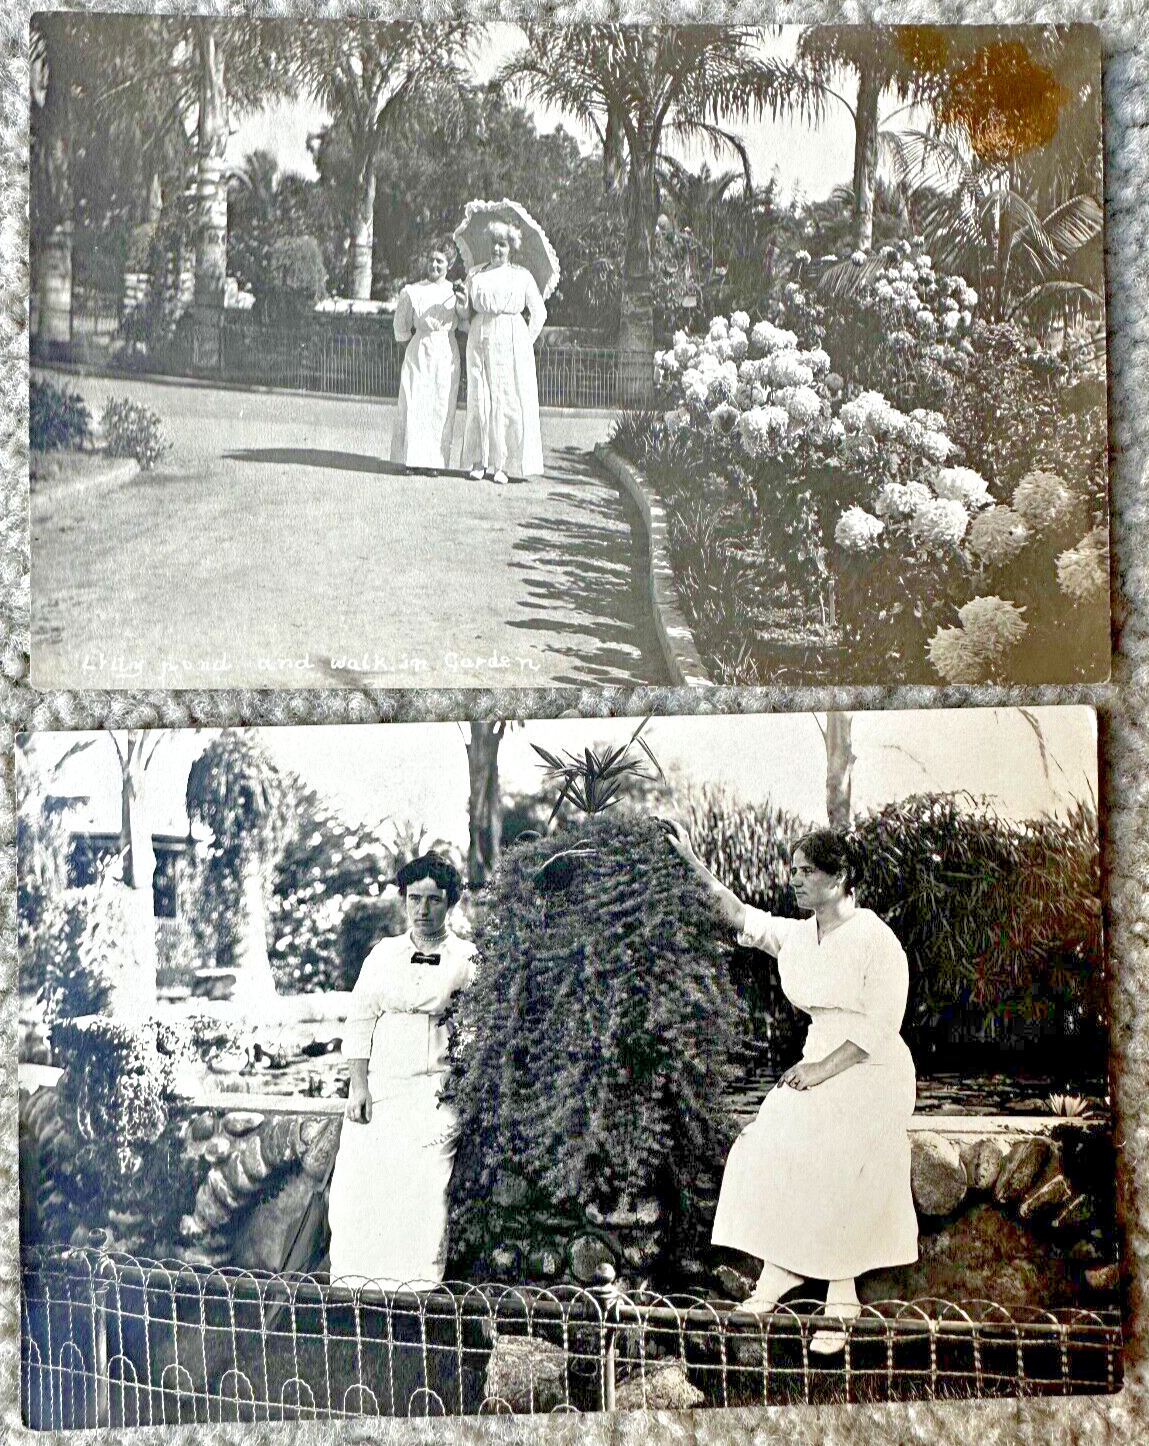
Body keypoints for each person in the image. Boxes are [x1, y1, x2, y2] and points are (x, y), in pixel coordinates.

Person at [665, 823, 918, 1353]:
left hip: (871, 1068)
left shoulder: (876, 939)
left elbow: (880, 1027)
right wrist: (689, 855)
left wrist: (823, 1071)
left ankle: (841, 1292)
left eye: (807, 871)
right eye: (794, 870)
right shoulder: (800, 936)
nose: (795, 880)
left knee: (837, 1144)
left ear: (841, 875)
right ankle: (781, 1271)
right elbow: (736, 913)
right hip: (817, 1061)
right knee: (766, 1139)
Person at [327, 852, 476, 1287]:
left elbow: (480, 1027)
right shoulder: (383, 955)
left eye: (432, 900)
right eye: (414, 899)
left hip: (435, 1089)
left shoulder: (466, 959)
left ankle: (415, 1287)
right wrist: (359, 1086)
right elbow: (360, 1019)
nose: (422, 910)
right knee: (360, 1176)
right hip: (382, 1088)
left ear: (450, 902)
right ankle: (358, 1285)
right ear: (404, 901)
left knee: (424, 1184)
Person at [460, 220, 546, 485]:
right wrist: (463, 304)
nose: (497, 249)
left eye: (503, 244)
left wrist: (524, 342)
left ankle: (502, 464)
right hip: (480, 336)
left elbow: (539, 313)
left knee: (507, 402)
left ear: (511, 248)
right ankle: (478, 461)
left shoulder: (522, 276)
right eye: (493, 243)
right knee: (479, 398)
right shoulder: (475, 274)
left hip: (510, 341)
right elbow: (465, 314)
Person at [390, 247, 468, 472]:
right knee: (415, 402)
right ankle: (411, 459)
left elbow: (464, 322)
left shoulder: (455, 292)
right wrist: (413, 346)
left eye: (440, 262)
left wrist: (463, 302)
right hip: (420, 349)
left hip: (445, 350)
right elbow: (401, 325)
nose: (434, 265)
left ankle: (434, 461)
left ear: (449, 265)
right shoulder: (413, 291)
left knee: (440, 404)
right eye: (432, 260)